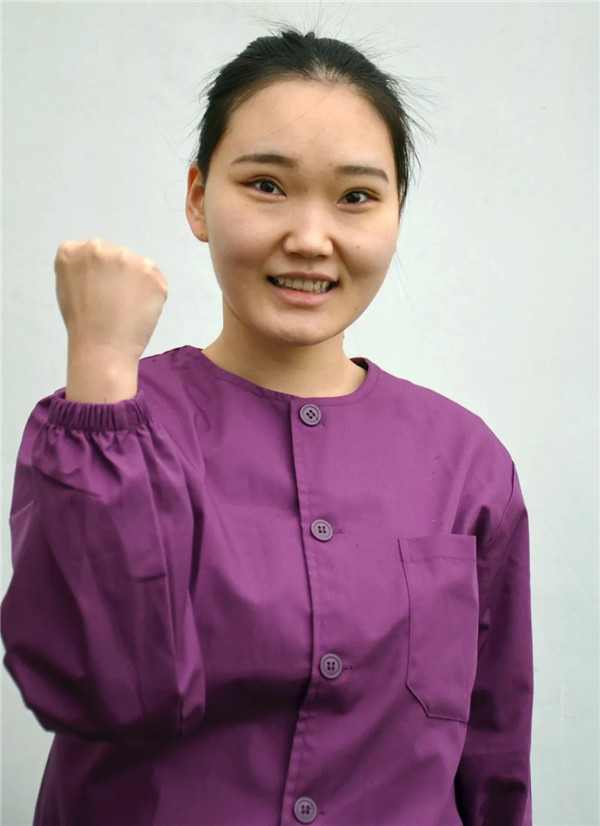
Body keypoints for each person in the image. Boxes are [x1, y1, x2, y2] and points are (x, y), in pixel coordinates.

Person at [1, 25, 534, 826]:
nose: (310, 239)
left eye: (356, 196)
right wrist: (102, 367)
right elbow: (103, 694)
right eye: (266, 185)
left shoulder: (467, 463)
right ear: (197, 198)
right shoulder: (102, 430)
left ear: (397, 213)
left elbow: (494, 755)